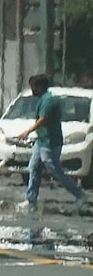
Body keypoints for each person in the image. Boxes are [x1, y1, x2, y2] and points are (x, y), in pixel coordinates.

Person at [15, 74, 88, 213]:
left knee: (55, 170)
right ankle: (31, 199)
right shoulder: (43, 99)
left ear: (40, 87)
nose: (32, 90)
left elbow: (43, 119)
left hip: (50, 142)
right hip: (41, 140)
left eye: (34, 87)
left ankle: (79, 194)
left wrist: (26, 132)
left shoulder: (48, 100)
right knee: (34, 167)